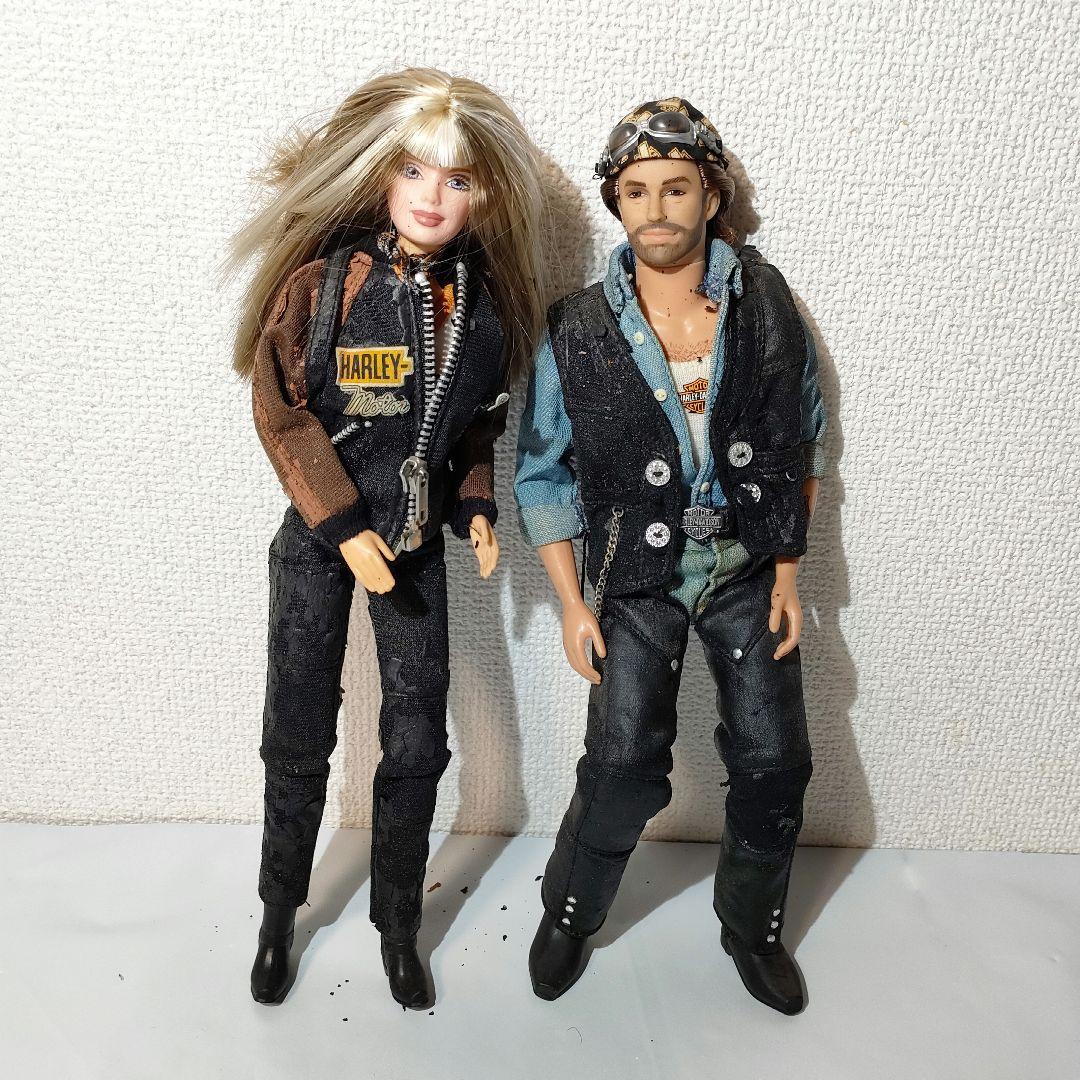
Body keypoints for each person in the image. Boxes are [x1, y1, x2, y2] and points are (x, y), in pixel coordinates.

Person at [225, 67, 543, 1009]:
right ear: (379, 176)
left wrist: (475, 505)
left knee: (416, 740)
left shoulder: (482, 310)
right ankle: (278, 914)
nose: (432, 196)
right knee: (296, 733)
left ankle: (398, 922)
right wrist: (339, 522)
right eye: (413, 171)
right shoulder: (326, 287)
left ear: (484, 193)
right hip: (320, 543)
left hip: (413, 547)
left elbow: (476, 424)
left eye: (456, 179)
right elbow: (281, 410)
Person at [514, 98, 827, 1014]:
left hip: (743, 562)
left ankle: (752, 924)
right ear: (616, 202)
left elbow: (798, 437)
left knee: (774, 758)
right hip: (634, 575)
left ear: (711, 195)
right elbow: (543, 472)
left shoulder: (763, 303)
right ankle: (572, 911)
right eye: (637, 190)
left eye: (677, 187)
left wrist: (787, 571)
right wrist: (573, 603)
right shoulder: (577, 327)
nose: (656, 208)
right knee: (621, 761)